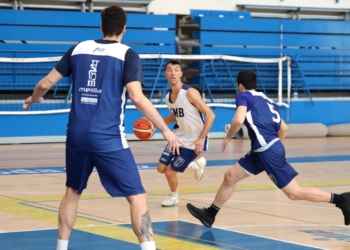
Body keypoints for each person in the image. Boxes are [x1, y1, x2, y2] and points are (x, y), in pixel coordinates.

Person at [24, 6, 185, 250]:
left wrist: (34, 99)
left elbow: (45, 83)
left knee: (72, 191)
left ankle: (61, 247)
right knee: (137, 196)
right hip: (108, 138)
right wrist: (166, 129)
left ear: (100, 27)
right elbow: (137, 97)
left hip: (76, 136)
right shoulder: (127, 54)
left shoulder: (78, 49)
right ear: (124, 29)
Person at [186, 70, 350, 228]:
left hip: (267, 151)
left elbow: (238, 120)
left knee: (294, 193)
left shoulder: (243, 96)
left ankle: (342, 200)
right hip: (262, 150)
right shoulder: (268, 101)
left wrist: (228, 136)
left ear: (240, 86)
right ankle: (210, 214)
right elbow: (284, 128)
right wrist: (274, 145)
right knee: (230, 176)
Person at [157, 60, 215, 207]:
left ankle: (173, 196)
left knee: (170, 171)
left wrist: (201, 138)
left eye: (176, 70)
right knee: (161, 168)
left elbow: (210, 115)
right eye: (169, 70)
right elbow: (177, 115)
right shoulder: (168, 97)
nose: (173, 73)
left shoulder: (190, 93)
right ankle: (197, 163)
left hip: (194, 140)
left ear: (181, 74)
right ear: (165, 74)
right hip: (178, 137)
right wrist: (159, 123)